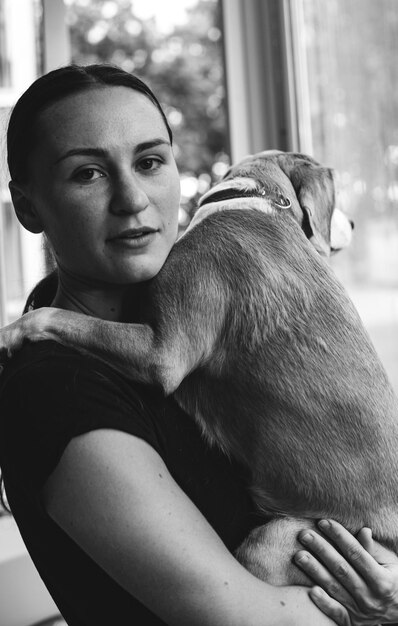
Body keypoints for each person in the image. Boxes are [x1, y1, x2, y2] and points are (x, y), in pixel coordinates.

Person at [1, 64, 398, 626]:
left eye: (150, 162)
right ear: (28, 206)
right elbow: (241, 618)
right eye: (87, 173)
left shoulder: (201, 325)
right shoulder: (55, 391)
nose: (132, 199)